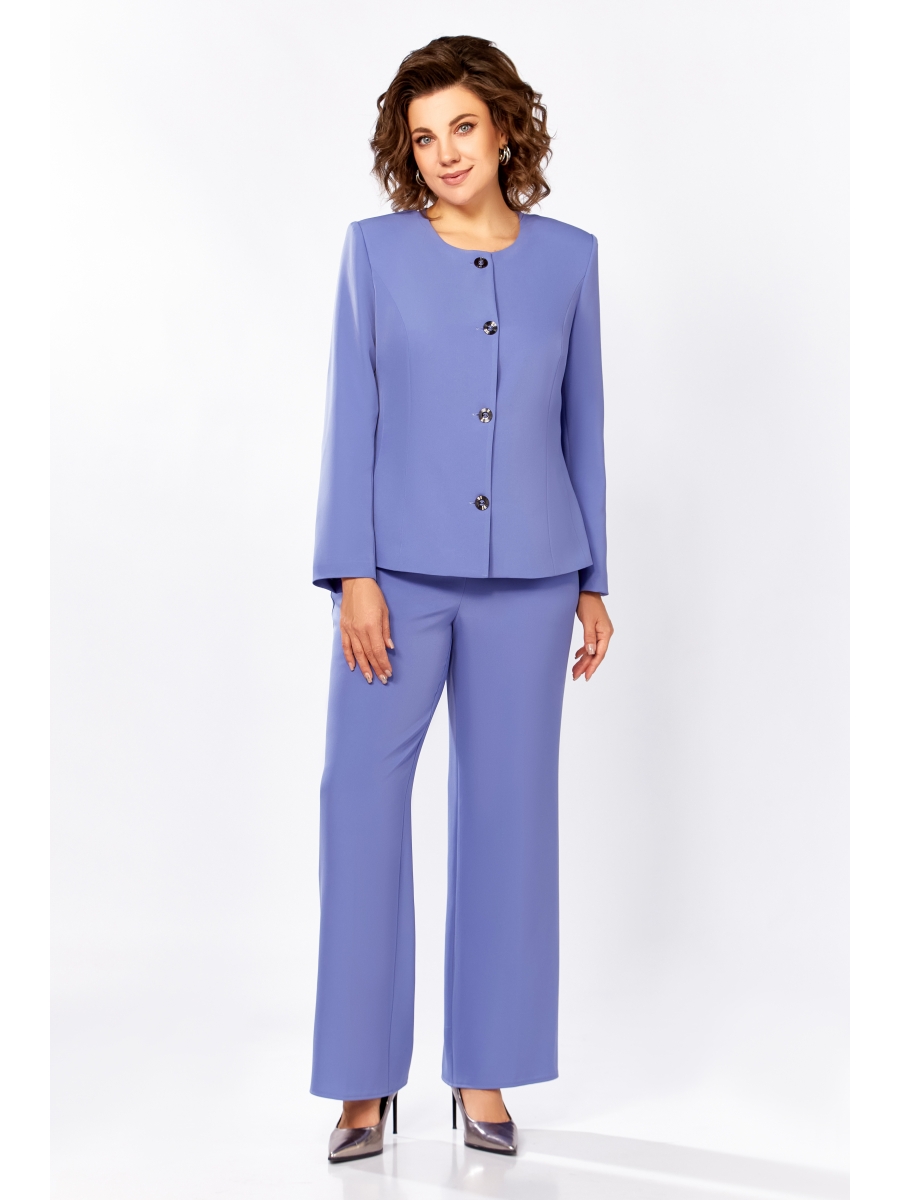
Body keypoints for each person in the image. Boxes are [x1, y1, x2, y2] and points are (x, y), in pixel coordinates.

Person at [310, 34, 613, 1163]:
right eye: (425, 136)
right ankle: (360, 1084)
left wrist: (594, 581)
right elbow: (352, 416)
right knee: (357, 807)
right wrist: (352, 571)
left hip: (534, 580)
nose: (445, 152)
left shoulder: (570, 260)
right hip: (393, 582)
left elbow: (583, 422)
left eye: (464, 128)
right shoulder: (375, 253)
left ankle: (481, 1074)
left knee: (508, 822)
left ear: (504, 129)